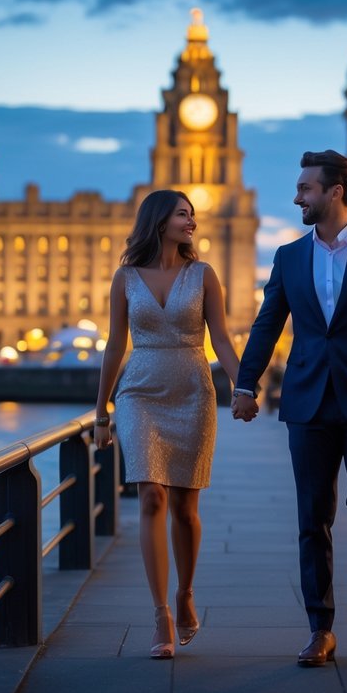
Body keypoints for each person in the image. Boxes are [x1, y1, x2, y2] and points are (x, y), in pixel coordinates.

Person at [232, 150, 347, 667]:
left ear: (335, 191)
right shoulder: (289, 257)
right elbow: (268, 324)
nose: (297, 197)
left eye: (306, 188)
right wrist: (247, 384)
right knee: (312, 519)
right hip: (307, 404)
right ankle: (320, 627)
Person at [93, 189, 242, 659]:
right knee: (151, 495)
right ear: (159, 221)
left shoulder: (204, 275)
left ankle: (186, 592)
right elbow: (115, 345)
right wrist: (102, 412)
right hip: (139, 393)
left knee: (185, 507)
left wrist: (243, 387)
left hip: (193, 392)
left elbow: (220, 336)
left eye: (192, 215)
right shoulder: (125, 277)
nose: (191, 222)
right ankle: (161, 613)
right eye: (183, 214)